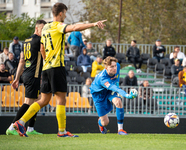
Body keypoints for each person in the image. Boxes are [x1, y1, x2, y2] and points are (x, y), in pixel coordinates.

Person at [13, 2, 107, 138]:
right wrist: (93, 24)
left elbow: (42, 48)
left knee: (43, 100)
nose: (66, 16)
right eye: (65, 13)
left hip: (46, 68)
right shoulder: (58, 26)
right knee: (61, 99)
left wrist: (47, 60)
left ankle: (20, 122)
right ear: (61, 13)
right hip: (57, 67)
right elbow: (74, 27)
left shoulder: (45, 28)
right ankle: (62, 131)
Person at [6, 20, 47, 136]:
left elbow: (21, 61)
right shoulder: (40, 40)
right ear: (36, 28)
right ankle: (12, 126)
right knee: (28, 102)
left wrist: (17, 77)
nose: (43, 31)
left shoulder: (26, 41)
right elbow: (44, 54)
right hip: (33, 75)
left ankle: (30, 128)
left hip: (27, 74)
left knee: (38, 100)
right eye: (42, 28)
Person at [90, 56, 138, 135]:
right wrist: (126, 95)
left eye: (115, 66)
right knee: (105, 122)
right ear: (106, 68)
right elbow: (115, 88)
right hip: (99, 95)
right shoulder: (103, 79)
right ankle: (100, 123)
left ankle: (120, 130)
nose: (114, 68)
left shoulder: (118, 66)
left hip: (109, 90)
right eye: (111, 67)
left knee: (118, 101)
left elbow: (115, 84)